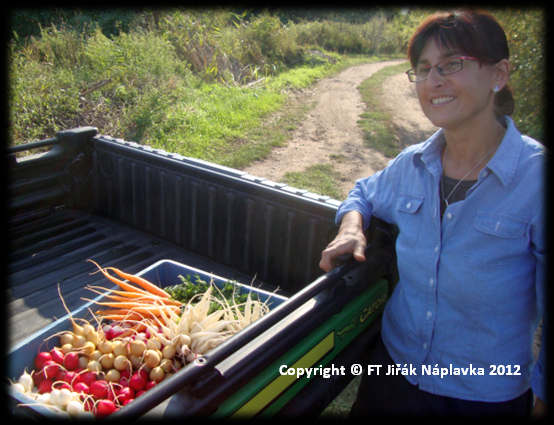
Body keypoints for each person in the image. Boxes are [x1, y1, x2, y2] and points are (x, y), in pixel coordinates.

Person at [319, 9, 547, 418]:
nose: (433, 81)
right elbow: (363, 193)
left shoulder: (536, 179)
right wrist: (351, 227)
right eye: (423, 69)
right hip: (392, 372)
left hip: (481, 396)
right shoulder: (412, 164)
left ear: (499, 74)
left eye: (452, 64)